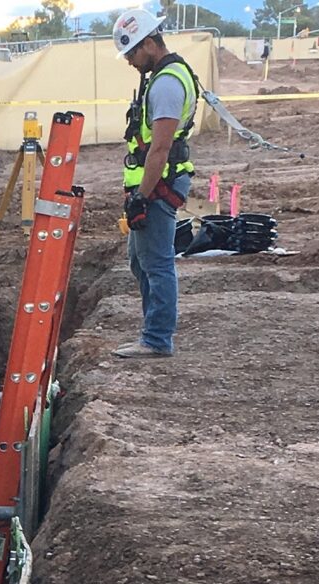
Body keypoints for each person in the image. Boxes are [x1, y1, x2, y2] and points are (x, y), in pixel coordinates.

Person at [111, 10, 201, 359]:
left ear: (149, 43)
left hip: (158, 187)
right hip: (149, 185)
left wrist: (142, 197)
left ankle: (156, 339)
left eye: (132, 53)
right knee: (139, 259)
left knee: (158, 264)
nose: (131, 61)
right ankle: (153, 330)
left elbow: (160, 147)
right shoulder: (162, 76)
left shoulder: (166, 84)